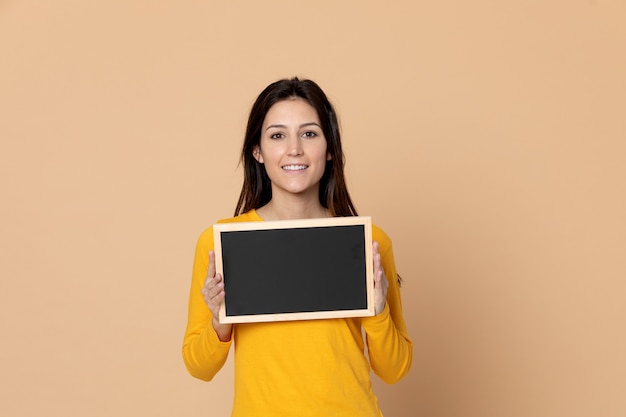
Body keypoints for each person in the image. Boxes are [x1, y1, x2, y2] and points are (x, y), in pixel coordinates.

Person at [182, 77, 412, 416]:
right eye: (277, 135)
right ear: (257, 151)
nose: (294, 149)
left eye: (309, 133)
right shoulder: (221, 242)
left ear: (330, 148)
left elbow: (395, 370)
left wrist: (377, 313)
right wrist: (220, 323)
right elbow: (198, 367)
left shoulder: (369, 241)